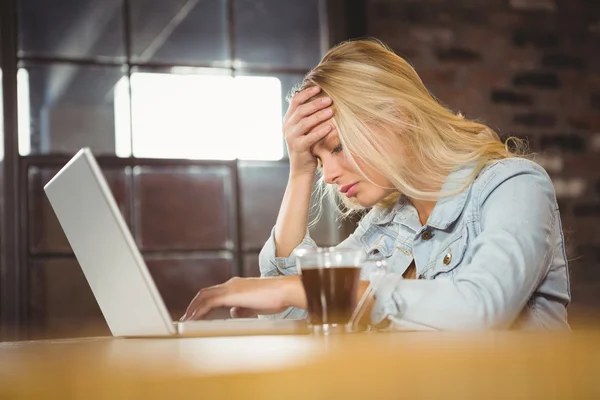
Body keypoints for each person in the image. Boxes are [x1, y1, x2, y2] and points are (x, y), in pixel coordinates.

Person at [181, 38, 570, 330]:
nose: (328, 174)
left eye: (337, 147)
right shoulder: (386, 223)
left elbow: (484, 306)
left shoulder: (514, 185)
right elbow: (290, 304)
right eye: (319, 160)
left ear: (395, 117)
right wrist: (300, 169)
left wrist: (304, 290)